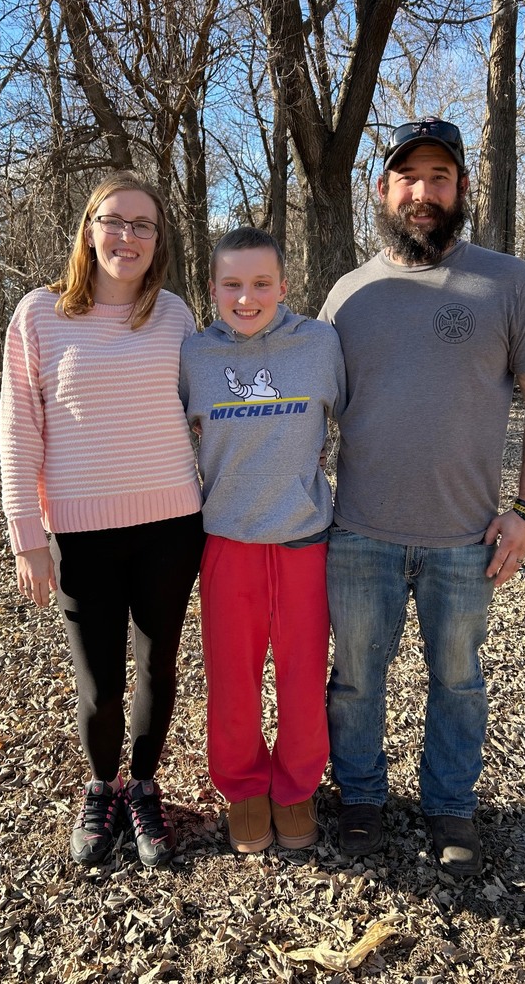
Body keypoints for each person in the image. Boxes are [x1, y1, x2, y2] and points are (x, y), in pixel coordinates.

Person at [320, 118, 525, 876]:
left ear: (461, 188)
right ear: (382, 189)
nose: (423, 193)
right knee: (356, 676)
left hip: (465, 537)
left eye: (439, 177)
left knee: (458, 678)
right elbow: (306, 413)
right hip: (359, 531)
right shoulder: (348, 296)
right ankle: (360, 796)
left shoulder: (508, 282)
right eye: (408, 177)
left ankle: (449, 805)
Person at [0, 172, 204, 869]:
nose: (128, 236)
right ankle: (101, 787)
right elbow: (18, 432)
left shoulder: (173, 314)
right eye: (115, 220)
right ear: (88, 229)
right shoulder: (38, 315)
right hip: (81, 533)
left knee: (158, 665)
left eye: (144, 225)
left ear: (159, 240)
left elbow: (206, 414)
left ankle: (142, 787)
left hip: (173, 525)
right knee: (98, 682)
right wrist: (28, 536)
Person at [179, 227, 345, 853]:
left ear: (283, 284)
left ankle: (297, 785)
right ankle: (245, 785)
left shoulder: (320, 344)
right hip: (228, 541)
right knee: (232, 676)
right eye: (232, 285)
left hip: (304, 540)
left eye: (261, 284)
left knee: (303, 673)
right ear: (213, 287)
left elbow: (350, 423)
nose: (246, 298)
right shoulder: (194, 355)